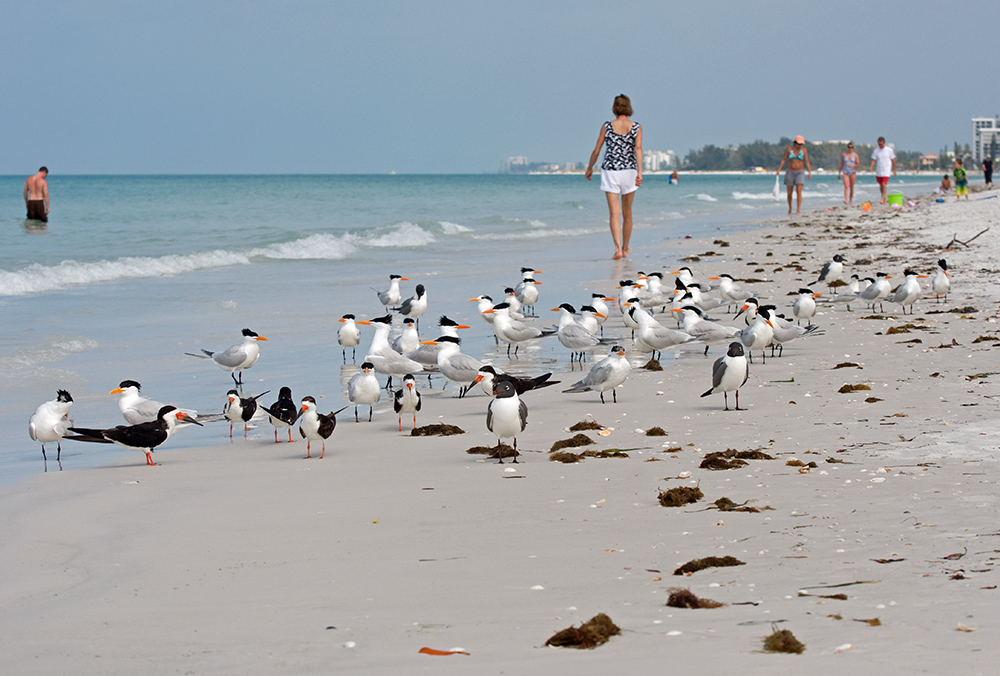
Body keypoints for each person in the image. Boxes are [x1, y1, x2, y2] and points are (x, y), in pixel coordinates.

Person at [585, 94, 643, 260]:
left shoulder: (607, 126)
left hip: (610, 171)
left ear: (614, 108)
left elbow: (597, 150)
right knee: (628, 213)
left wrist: (590, 168)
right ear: (629, 107)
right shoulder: (636, 127)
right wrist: (640, 172)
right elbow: (638, 149)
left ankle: (617, 249)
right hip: (629, 171)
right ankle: (626, 248)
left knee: (613, 213)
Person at [776, 135, 811, 215]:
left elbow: (806, 161)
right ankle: (790, 208)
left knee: (799, 190)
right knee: (789, 192)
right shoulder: (789, 149)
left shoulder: (804, 150)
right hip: (790, 172)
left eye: (801, 144)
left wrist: (809, 172)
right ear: (795, 143)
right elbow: (784, 159)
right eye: (798, 144)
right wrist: (778, 170)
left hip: (800, 172)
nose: (800, 145)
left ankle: (798, 209)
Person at [868, 137, 896, 205]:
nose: (880, 145)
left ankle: (882, 198)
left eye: (881, 144)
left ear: (884, 143)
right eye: (879, 144)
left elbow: (893, 160)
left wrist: (894, 169)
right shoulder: (876, 151)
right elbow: (874, 159)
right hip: (879, 170)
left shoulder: (889, 150)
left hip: (886, 170)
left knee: (884, 183)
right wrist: (871, 167)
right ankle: (884, 198)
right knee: (881, 185)